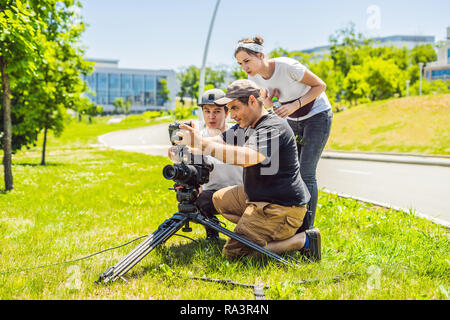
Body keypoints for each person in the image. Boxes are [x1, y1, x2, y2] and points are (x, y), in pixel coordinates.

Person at [174, 79, 321, 261]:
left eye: (235, 108)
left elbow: (247, 157)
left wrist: (201, 143)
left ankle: (302, 239)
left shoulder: (272, 127)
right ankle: (256, 230)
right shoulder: (246, 126)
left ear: (252, 101)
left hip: (280, 207)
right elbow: (217, 142)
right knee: (214, 200)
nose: (232, 115)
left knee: (236, 255)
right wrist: (183, 148)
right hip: (257, 197)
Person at [234, 36, 333, 234]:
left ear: (260, 55)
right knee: (291, 173)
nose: (244, 67)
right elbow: (268, 103)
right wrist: (271, 102)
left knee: (306, 173)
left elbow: (320, 86)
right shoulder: (255, 78)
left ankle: (307, 231)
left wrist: (293, 105)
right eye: (240, 64)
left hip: (317, 115)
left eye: (247, 61)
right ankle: (293, 222)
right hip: (293, 120)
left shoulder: (287, 67)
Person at [168, 88, 243, 241]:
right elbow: (193, 171)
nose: (211, 116)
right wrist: (177, 155)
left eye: (216, 111)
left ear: (226, 112)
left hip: (240, 191)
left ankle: (245, 230)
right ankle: (212, 228)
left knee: (247, 232)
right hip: (213, 193)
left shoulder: (238, 133)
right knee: (192, 199)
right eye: (207, 111)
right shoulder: (197, 137)